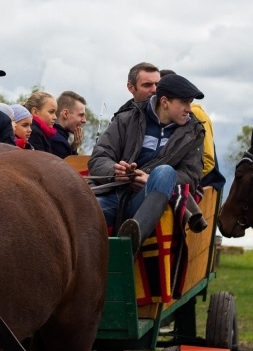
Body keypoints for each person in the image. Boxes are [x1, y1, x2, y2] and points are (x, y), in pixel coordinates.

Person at [88, 74, 206, 253]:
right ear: (164, 102)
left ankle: (131, 242)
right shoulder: (127, 118)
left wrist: (152, 180)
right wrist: (115, 170)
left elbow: (192, 176)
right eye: (184, 102)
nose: (189, 109)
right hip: (114, 193)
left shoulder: (194, 132)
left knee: (165, 172)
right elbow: (99, 157)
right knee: (81, 213)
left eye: (190, 103)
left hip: (151, 198)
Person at [159, 70, 226, 193]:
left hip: (203, 180)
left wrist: (187, 180)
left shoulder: (195, 113)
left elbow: (208, 159)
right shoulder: (160, 117)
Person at [51, 91, 88, 158]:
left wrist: (74, 147)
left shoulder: (59, 138)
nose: (84, 120)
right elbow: (66, 164)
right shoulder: (58, 142)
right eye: (81, 115)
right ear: (65, 114)